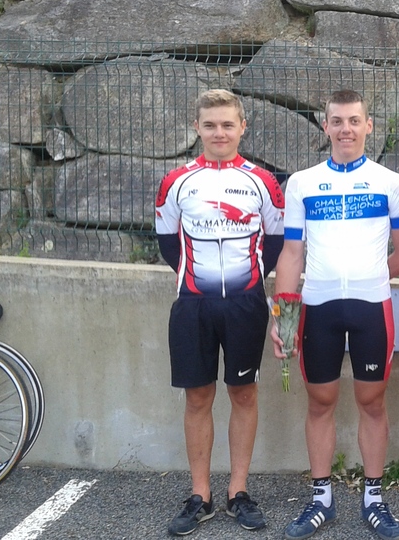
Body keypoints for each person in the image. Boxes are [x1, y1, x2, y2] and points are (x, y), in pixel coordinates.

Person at [272, 89, 399, 540]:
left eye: (355, 121)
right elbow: (291, 253)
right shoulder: (302, 183)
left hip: (372, 307)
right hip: (318, 308)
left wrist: (365, 279)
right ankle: (322, 500)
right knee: (320, 402)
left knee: (372, 402)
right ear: (326, 126)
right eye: (337, 121)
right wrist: (283, 316)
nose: (346, 129)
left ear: (368, 126)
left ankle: (374, 500)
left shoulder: (391, 183)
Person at [155, 88, 285, 535]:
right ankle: (200, 495)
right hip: (193, 302)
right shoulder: (176, 181)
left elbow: (275, 242)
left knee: (243, 393)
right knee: (197, 397)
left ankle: (238, 491)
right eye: (210, 125)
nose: (219, 133)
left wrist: (248, 280)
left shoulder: (262, 181)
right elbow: (168, 243)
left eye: (228, 124)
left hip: (246, 303)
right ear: (197, 128)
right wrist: (198, 279)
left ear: (242, 128)